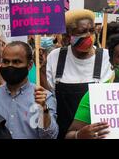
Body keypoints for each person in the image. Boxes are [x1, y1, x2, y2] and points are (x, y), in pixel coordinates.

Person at [46, 9, 112, 138]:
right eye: (82, 32)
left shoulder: (107, 58)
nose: (89, 36)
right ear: (67, 36)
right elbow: (50, 99)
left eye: (92, 31)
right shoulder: (56, 57)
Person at [0, 41, 58, 139]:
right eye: (6, 62)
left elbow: (50, 136)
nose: (10, 66)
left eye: (16, 62)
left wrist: (43, 111)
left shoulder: (44, 97)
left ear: (30, 65)